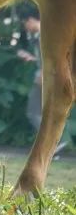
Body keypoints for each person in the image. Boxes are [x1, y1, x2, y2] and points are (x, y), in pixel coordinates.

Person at [17, 14, 68, 157]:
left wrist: (45, 74)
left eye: (25, 24)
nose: (25, 28)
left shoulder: (44, 35)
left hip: (46, 77)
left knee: (33, 112)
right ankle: (53, 147)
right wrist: (30, 57)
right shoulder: (43, 34)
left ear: (31, 20)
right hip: (49, 77)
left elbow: (54, 57)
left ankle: (54, 142)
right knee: (45, 113)